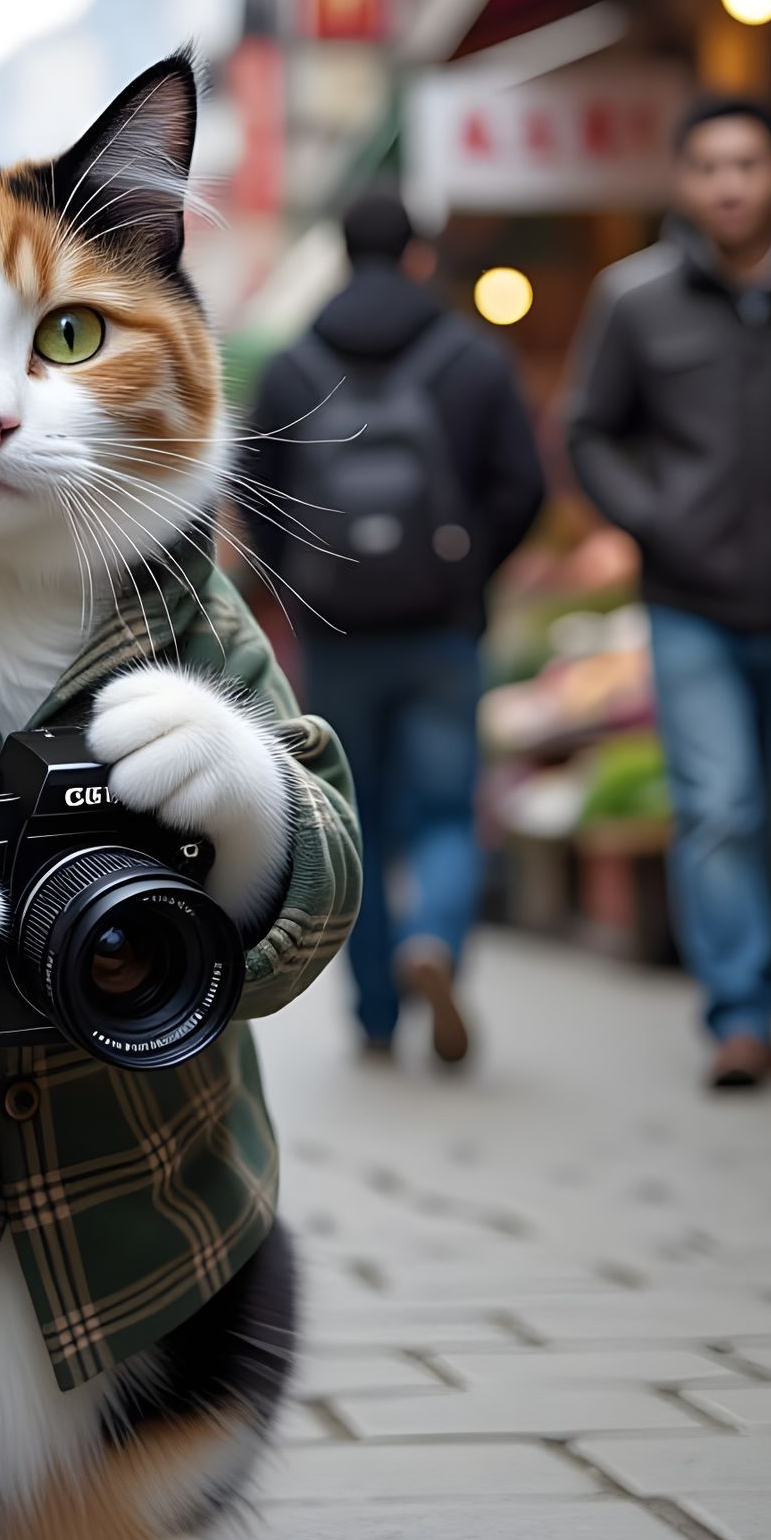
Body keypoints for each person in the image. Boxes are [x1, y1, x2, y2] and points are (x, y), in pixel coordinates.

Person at [244, 190, 544, 1064]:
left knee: (357, 817)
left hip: (338, 633)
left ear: (341, 254)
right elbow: (523, 484)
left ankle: (376, 1013)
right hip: (442, 627)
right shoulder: (472, 358)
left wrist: (304, 587)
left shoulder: (293, 366)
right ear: (418, 256)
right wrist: (468, 569)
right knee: (445, 808)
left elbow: (258, 499)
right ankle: (435, 938)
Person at [567, 95, 771, 1090]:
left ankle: (764, 986)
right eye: (708, 166)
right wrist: (655, 518)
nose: (728, 184)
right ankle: (738, 1017)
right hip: (689, 605)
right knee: (719, 806)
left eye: (747, 165)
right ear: (682, 181)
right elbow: (587, 429)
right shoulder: (635, 299)